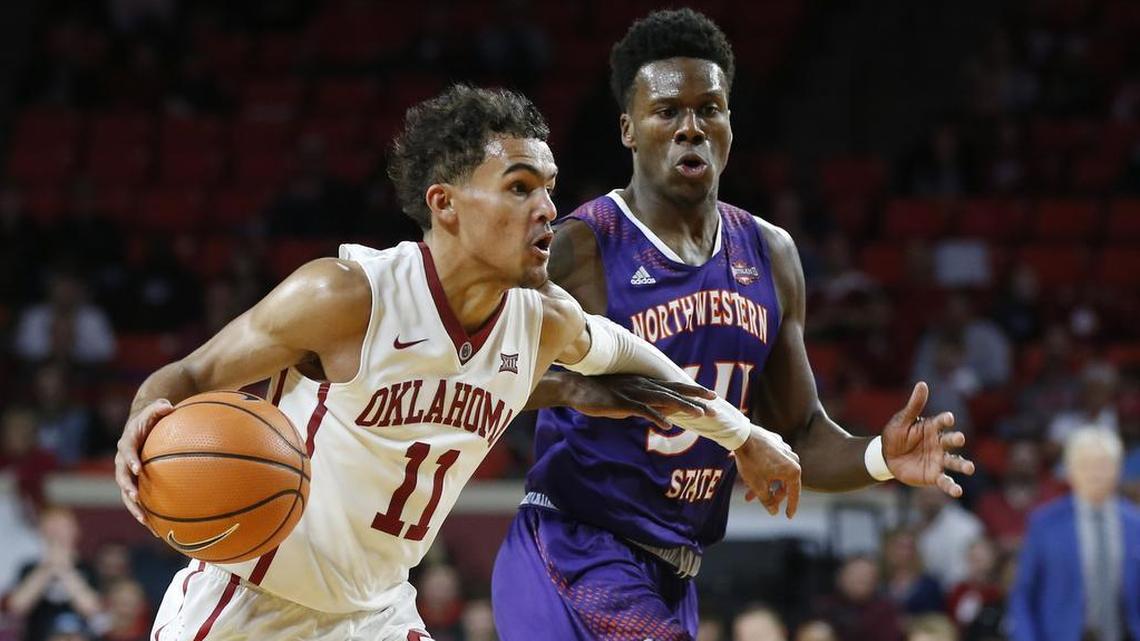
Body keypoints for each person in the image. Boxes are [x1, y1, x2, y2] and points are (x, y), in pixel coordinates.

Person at [113, 84, 802, 641]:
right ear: (444, 204)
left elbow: (645, 365)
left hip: (378, 614)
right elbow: (192, 377)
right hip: (252, 601)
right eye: (519, 187)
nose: (547, 210)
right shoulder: (347, 296)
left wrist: (747, 437)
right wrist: (141, 424)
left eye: (550, 189)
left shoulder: (542, 321)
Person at [491, 9, 974, 640]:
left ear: (728, 125)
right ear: (628, 129)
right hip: (574, 548)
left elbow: (799, 430)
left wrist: (881, 457)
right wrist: (583, 390)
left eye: (709, 109)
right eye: (667, 112)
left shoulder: (770, 253)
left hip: (674, 570)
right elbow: (485, 368)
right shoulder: (582, 244)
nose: (690, 128)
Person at [1009, 428, 1140, 641]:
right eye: (1085, 464)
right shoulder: (1044, 523)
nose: (1094, 472)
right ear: (1070, 470)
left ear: (1118, 469)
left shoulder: (1136, 524)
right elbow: (1023, 595)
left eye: (1103, 464)